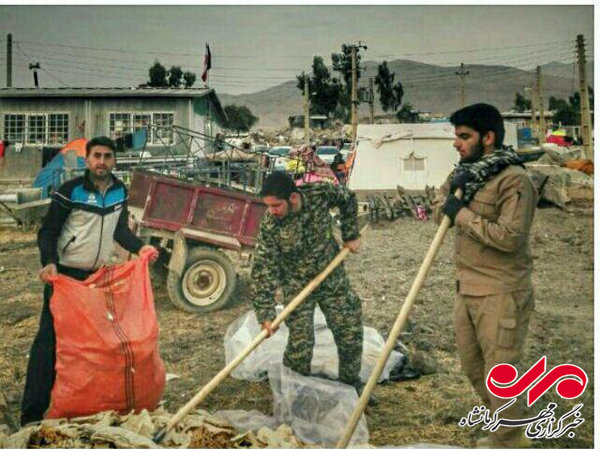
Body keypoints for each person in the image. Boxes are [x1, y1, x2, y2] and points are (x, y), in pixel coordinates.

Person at [20, 136, 158, 426]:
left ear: (114, 161)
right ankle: (32, 413)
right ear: (87, 159)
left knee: (89, 347)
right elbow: (48, 230)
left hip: (94, 279)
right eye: (97, 156)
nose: (102, 162)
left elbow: (119, 231)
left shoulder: (119, 191)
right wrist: (49, 262)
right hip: (64, 279)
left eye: (108, 156)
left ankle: (81, 404)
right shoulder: (71, 191)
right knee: (51, 342)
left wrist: (139, 247)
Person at [432, 104, 537, 448]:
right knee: (473, 367)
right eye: (456, 136)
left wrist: (461, 214)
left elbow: (509, 237)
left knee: (500, 373)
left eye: (464, 136)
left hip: (501, 291)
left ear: (488, 138)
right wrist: (451, 194)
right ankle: (505, 429)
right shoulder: (467, 173)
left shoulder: (513, 179)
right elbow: (439, 213)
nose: (456, 144)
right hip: (467, 288)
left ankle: (509, 440)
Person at [250, 172, 375, 404]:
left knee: (349, 330)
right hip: (296, 284)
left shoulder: (319, 194)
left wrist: (350, 234)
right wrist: (265, 314)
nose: (272, 211)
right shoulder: (271, 225)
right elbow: (262, 268)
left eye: (276, 205)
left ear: (294, 198)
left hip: (331, 275)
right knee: (301, 342)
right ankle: (295, 391)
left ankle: (351, 386)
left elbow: (347, 198)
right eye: (268, 206)